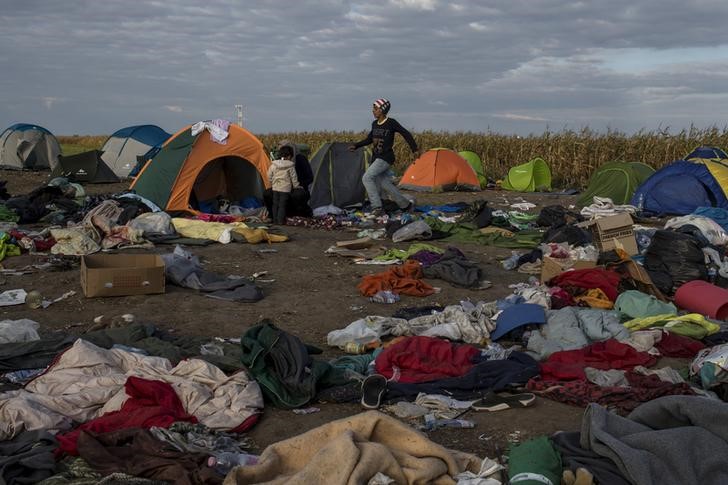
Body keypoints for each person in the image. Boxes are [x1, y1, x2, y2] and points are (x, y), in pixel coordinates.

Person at [349, 98, 420, 216]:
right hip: (376, 157)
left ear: (382, 110)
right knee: (384, 183)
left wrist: (415, 149)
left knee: (367, 178)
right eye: (373, 108)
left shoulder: (391, 123)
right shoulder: (374, 124)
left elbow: (405, 133)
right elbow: (369, 139)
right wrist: (356, 146)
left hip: (386, 157)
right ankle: (405, 205)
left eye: (375, 109)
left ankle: (377, 207)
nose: (373, 111)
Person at [267, 145, 300, 224]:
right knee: (282, 205)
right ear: (289, 156)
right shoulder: (290, 166)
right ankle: (281, 221)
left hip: (275, 188)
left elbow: (269, 175)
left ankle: (275, 220)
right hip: (285, 189)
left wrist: (272, 182)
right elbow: (294, 177)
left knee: (275, 204)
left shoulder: (274, 164)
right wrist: (296, 186)